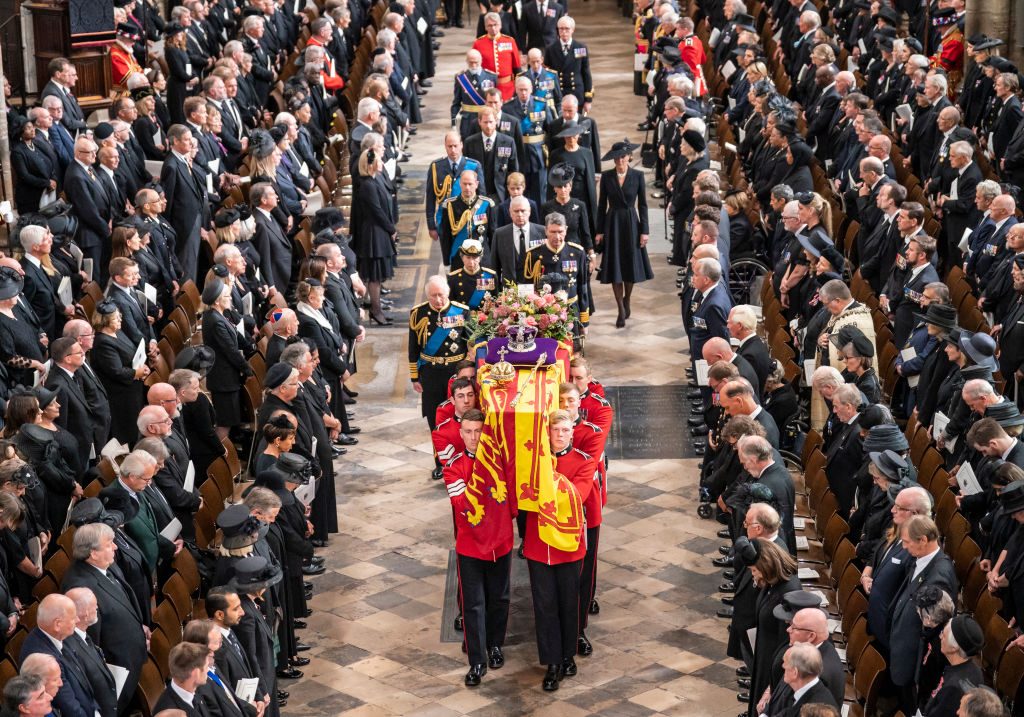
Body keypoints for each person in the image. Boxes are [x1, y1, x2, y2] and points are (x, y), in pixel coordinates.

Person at [442, 409, 513, 686]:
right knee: (473, 604)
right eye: (468, 432)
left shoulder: (501, 462)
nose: (473, 438)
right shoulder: (454, 466)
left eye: (478, 431)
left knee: (500, 598)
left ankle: (496, 645)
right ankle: (477, 661)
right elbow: (463, 505)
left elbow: (511, 500)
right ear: (461, 434)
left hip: (501, 541)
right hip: (470, 546)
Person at [525, 411, 589, 691]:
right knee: (544, 605)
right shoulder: (533, 463)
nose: (560, 434)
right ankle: (551, 663)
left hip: (569, 546)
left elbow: (579, 495)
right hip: (539, 546)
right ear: (547, 433)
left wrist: (547, 486)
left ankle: (567, 654)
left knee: (568, 602)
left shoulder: (582, 462)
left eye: (565, 430)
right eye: (555, 430)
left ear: (572, 432)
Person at [60, 523, 148, 714]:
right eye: (109, 544)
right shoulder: (81, 589)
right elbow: (91, 641)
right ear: (93, 553)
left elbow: (125, 597)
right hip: (116, 671)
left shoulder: (106, 566)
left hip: (131, 661)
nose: (115, 547)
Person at [408, 277, 470, 480]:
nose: (438, 300)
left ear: (448, 293)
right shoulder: (418, 314)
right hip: (431, 374)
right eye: (433, 296)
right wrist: (414, 377)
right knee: (435, 421)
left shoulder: (461, 311)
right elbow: (413, 347)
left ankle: (464, 459)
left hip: (456, 373)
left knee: (461, 416)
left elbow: (471, 343)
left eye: (441, 295)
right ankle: (440, 463)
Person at [595, 139, 653, 326]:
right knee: (615, 268)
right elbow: (601, 205)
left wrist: (644, 230)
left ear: (629, 157)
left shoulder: (637, 176)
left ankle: (627, 298)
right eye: (617, 158)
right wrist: (599, 231)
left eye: (623, 157)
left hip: (630, 222)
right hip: (613, 223)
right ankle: (620, 307)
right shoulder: (607, 176)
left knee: (629, 266)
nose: (620, 161)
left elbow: (643, 205)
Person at [19, 594, 100, 717]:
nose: (77, 620)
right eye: (73, 618)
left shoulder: (58, 635)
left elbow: (82, 680)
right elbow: (68, 706)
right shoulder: (43, 659)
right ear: (58, 624)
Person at [354, 148, 398, 324]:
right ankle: (376, 310)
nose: (382, 163)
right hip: (374, 235)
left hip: (379, 232)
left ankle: (376, 307)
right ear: (370, 165)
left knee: (376, 277)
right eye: (379, 161)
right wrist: (391, 229)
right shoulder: (367, 185)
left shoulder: (374, 180)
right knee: (374, 276)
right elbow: (376, 211)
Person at [154, 641, 211, 715]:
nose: (208, 670)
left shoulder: (194, 690)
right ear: (196, 673)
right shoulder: (170, 713)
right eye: (206, 666)